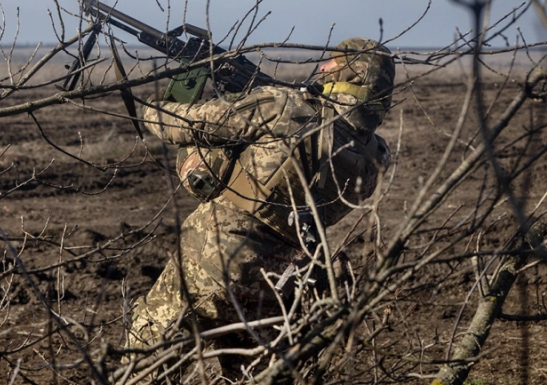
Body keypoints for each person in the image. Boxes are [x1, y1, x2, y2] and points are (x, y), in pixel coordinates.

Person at [126, 37, 396, 380]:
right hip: (278, 286)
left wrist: (165, 97)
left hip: (214, 259)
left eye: (333, 63)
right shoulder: (375, 156)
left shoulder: (284, 108)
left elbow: (174, 123)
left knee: (147, 361)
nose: (324, 67)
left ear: (353, 76)